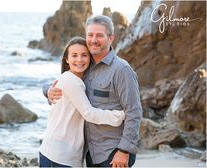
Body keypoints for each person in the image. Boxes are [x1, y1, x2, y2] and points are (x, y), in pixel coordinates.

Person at [43, 15, 142, 168]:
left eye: (99, 35)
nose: (94, 40)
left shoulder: (121, 70)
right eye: (90, 35)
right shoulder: (85, 66)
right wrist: (47, 90)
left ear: (110, 38)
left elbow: (134, 112)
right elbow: (65, 85)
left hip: (113, 153)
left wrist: (124, 150)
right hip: (90, 154)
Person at [39, 36, 125, 167]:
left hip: (60, 153)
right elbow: (89, 113)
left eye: (84, 55)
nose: (79, 59)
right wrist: (121, 115)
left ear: (90, 58)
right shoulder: (71, 80)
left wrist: (47, 90)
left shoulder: (77, 80)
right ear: (67, 60)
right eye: (74, 55)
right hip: (59, 155)